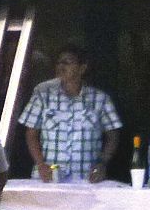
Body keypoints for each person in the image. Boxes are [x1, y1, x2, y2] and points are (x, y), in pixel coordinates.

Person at [20, 44, 122, 182]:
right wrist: (40, 164)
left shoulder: (100, 99)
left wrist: (102, 163)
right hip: (49, 178)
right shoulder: (43, 94)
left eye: (67, 62)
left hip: (86, 179)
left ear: (82, 68)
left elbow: (113, 135)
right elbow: (31, 134)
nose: (61, 66)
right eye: (59, 62)